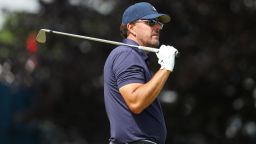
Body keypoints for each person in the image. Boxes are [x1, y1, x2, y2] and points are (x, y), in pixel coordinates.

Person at [104, 2, 178, 144]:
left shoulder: (133, 56)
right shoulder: (127, 54)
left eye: (159, 23)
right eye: (151, 22)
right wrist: (166, 68)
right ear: (131, 27)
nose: (157, 27)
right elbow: (136, 101)